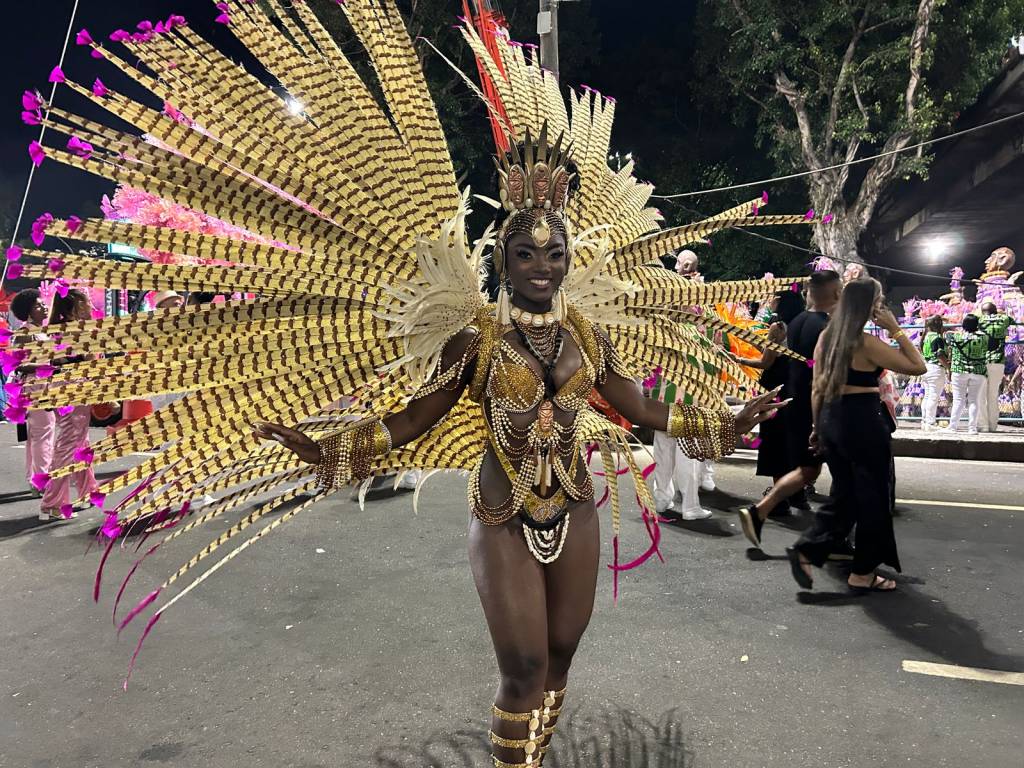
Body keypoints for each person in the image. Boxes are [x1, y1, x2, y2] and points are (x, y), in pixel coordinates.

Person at [20, 6, 811, 762]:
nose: (543, 266)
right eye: (527, 253)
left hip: (574, 507)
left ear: (571, 258)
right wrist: (329, 450)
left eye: (555, 253)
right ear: (503, 259)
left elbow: (641, 411)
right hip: (502, 513)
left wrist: (726, 422)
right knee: (523, 671)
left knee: (563, 663)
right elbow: (411, 421)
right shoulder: (474, 335)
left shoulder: (587, 336)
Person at [786, 278, 925, 592]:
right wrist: (896, 329)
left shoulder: (827, 338)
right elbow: (918, 366)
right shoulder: (864, 343)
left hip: (833, 418)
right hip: (862, 419)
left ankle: (809, 549)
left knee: (846, 494)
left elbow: (817, 387)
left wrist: (816, 427)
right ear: (870, 306)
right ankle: (862, 573)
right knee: (873, 497)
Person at [739, 270, 842, 547]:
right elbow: (823, 373)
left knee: (801, 463)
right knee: (838, 469)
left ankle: (765, 509)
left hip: (789, 397)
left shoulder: (792, 324)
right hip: (814, 401)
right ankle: (830, 534)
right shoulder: (827, 326)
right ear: (836, 293)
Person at [733, 291, 806, 514]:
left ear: (782, 302)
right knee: (794, 440)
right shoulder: (803, 324)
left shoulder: (778, 327)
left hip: (777, 387)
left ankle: (778, 498)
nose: (770, 300)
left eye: (774, 297)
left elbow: (766, 362)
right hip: (798, 386)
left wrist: (739, 359)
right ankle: (797, 493)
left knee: (775, 440)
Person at [38, 290, 99, 520]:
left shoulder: (57, 331)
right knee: (68, 446)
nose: (90, 307)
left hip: (63, 391)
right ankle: (51, 504)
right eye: (86, 303)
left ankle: (89, 492)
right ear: (74, 308)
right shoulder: (76, 332)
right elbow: (91, 363)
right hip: (75, 392)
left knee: (80, 443)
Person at [9, 289, 55, 493]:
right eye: (38, 305)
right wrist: (44, 367)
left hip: (44, 384)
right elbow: (18, 365)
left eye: (44, 303)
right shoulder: (26, 333)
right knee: (43, 433)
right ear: (28, 311)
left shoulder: (41, 330)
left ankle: (34, 478)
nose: (44, 307)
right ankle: (42, 481)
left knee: (37, 435)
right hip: (35, 385)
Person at [944, 314, 988, 435]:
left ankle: (953, 426)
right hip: (978, 371)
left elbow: (946, 335)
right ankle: (972, 428)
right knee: (974, 400)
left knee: (958, 399)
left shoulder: (956, 336)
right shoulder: (983, 337)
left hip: (959, 370)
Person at [978, 299, 1012, 432]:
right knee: (993, 395)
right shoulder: (1003, 319)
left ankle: (983, 426)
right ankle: (993, 425)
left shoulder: (979, 321)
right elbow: (1012, 320)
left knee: (981, 395)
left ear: (983, 312)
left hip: (981, 363)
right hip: (998, 363)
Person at [919, 315, 949, 431]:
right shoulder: (937, 338)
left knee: (927, 396)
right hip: (936, 368)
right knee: (933, 397)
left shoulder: (926, 337)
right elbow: (940, 355)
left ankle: (925, 421)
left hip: (926, 367)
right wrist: (948, 368)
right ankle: (930, 423)